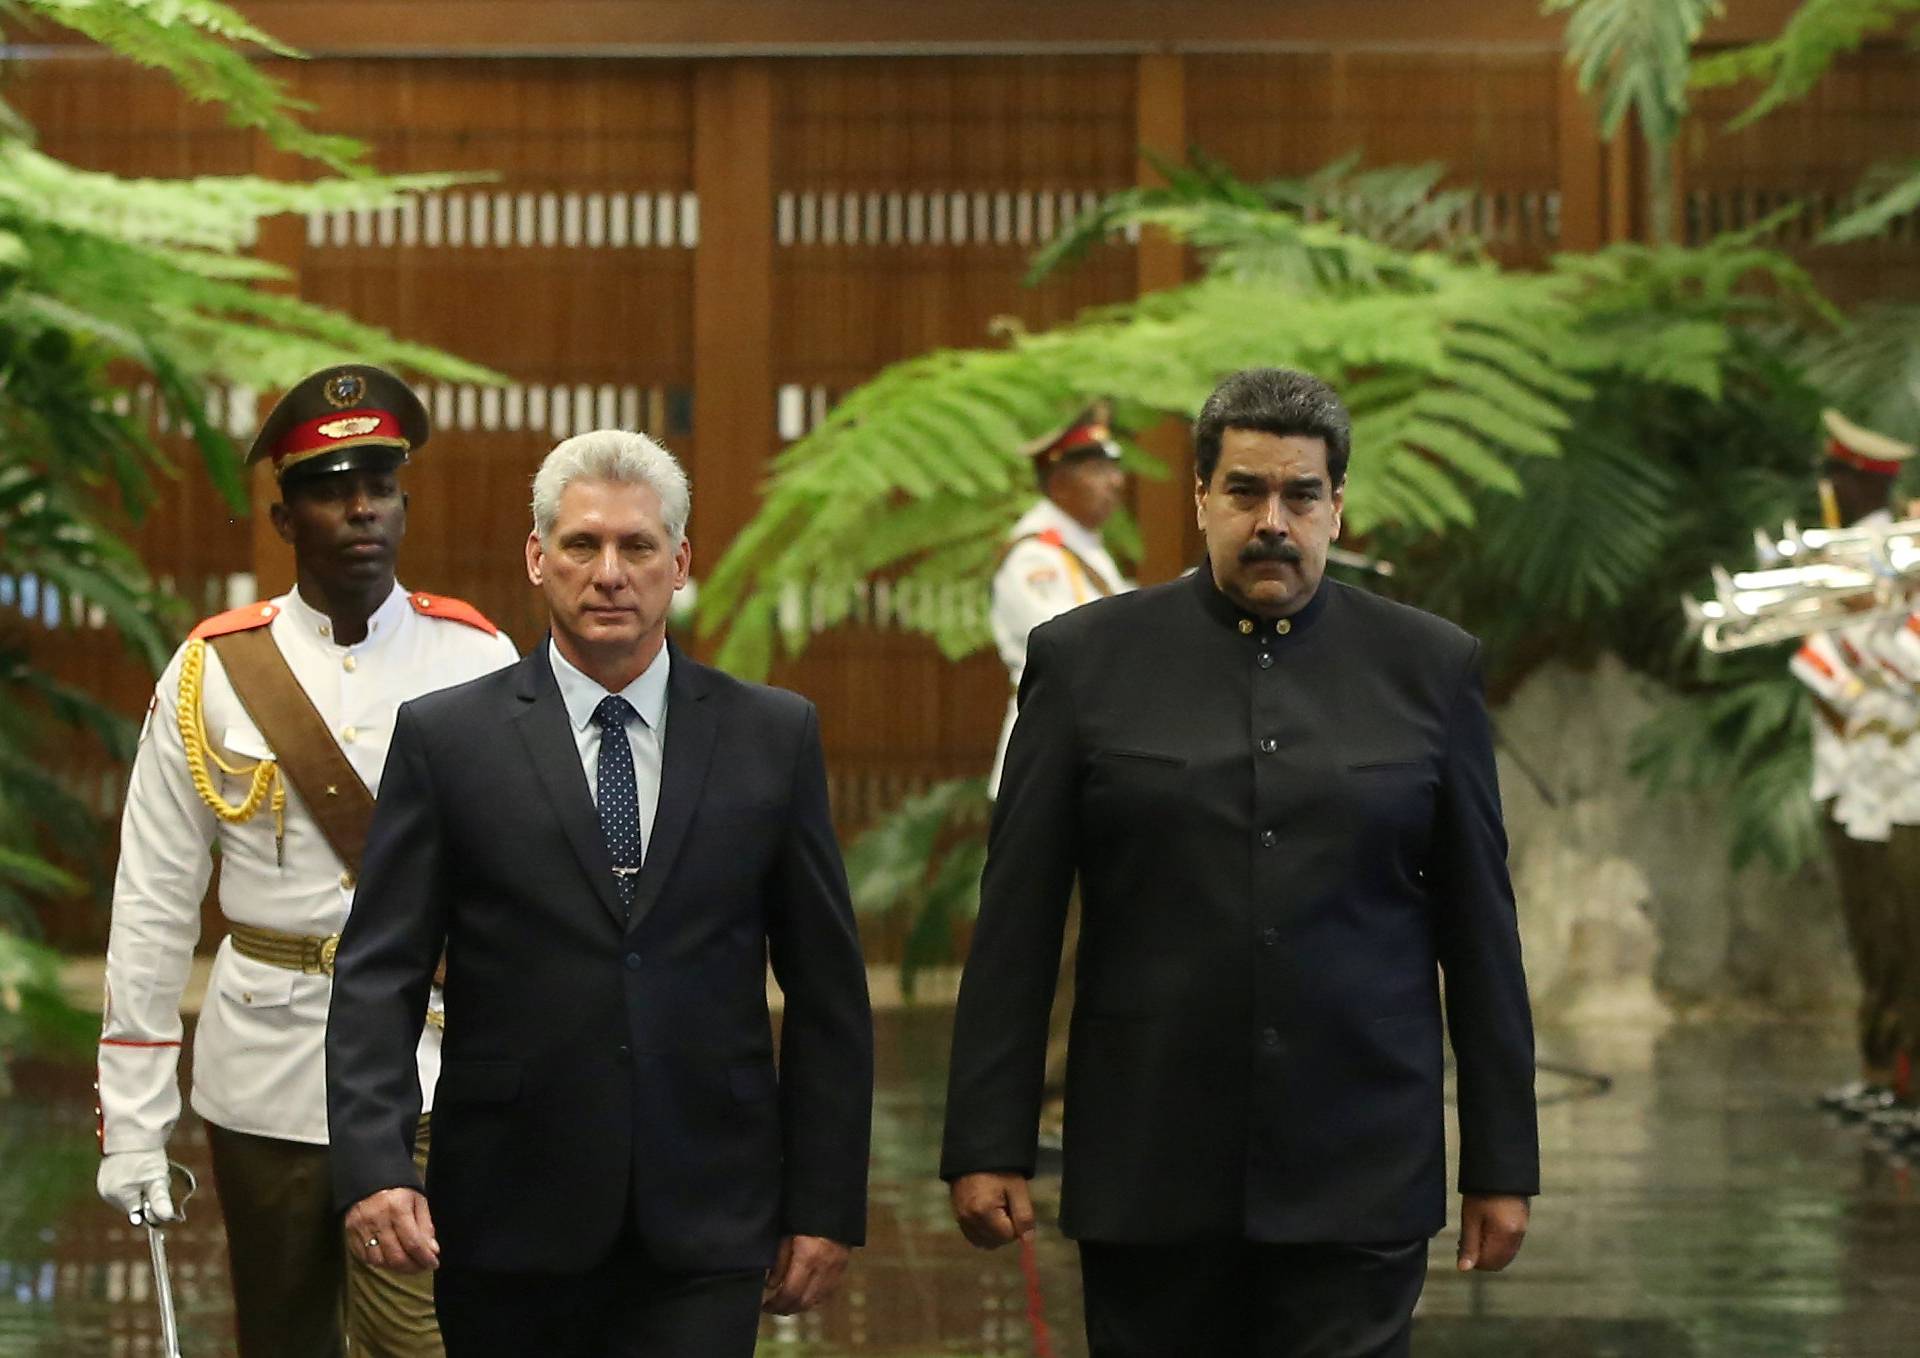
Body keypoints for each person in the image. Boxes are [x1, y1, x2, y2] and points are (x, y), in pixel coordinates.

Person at [941, 368, 1538, 1357]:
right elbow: (1018, 921)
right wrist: (986, 1143)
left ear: (1337, 508)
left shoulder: (1428, 670)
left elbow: (1481, 930)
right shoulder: (1088, 661)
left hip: (1360, 1163)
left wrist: (1502, 1158)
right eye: (1247, 491)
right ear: (1202, 498)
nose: (1274, 519)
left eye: (1301, 495)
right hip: (1149, 1163)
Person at [325, 429, 874, 1358]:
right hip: (506, 1208)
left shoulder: (770, 736)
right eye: (583, 545)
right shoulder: (450, 740)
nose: (609, 573)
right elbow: (380, 974)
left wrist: (825, 1203)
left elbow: (827, 994)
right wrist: (376, 1165)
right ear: (539, 559)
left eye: (638, 546)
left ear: (681, 562)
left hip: (708, 1209)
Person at [94, 364, 518, 1358]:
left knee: (426, 1333)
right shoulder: (213, 669)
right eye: (330, 486)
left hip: (436, 1059)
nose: (361, 505)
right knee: (283, 1336)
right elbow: (153, 904)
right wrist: (135, 1122)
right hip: (268, 1069)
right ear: (283, 517)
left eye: (378, 480)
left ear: (405, 501)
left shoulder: (478, 659)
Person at [1793, 409, 1920, 1142]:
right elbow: (1819, 656)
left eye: (1839, 475)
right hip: (1860, 783)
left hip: (1903, 783)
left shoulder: (1898, 558)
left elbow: (1899, 662)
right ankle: (1883, 1075)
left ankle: (1908, 1085)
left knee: (1909, 939)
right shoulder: (1850, 555)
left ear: (1863, 482)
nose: (1829, 485)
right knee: (1874, 935)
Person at [989, 402, 1134, 796]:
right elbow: (1068, 645)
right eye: (1099, 471)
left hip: (1088, 753)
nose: (1116, 483)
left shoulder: (1086, 549)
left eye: (1114, 469)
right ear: (1059, 483)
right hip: (1046, 756)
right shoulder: (1035, 556)